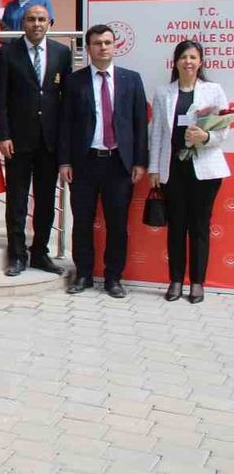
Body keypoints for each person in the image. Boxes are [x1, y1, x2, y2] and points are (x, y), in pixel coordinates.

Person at [58, 25, 148, 298]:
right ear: (88, 48)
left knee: (117, 224)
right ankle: (84, 274)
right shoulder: (74, 81)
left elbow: (140, 123)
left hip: (119, 163)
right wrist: (64, 162)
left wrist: (140, 162)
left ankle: (113, 278)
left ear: (115, 46)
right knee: (82, 222)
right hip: (84, 162)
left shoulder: (131, 79)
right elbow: (65, 124)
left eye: (108, 42)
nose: (103, 47)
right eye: (97, 43)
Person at [0, 3, 71, 276]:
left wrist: (64, 142)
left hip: (49, 141)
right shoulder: (8, 53)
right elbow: (0, 98)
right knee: (17, 200)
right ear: (22, 23)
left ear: (50, 23)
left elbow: (66, 100)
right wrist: (2, 135)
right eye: (31, 19)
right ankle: (17, 255)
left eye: (41, 19)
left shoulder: (62, 53)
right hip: (17, 141)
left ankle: (40, 252)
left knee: (46, 201)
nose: (36, 24)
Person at [148, 40, 228, 304]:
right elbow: (157, 133)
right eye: (183, 57)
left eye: (193, 57)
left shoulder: (213, 91)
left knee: (199, 227)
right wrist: (154, 168)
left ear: (200, 61)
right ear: (176, 62)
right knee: (176, 226)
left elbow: (223, 130)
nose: (188, 62)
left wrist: (205, 137)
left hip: (204, 172)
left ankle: (197, 283)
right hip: (173, 170)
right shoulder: (164, 92)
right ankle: (175, 281)